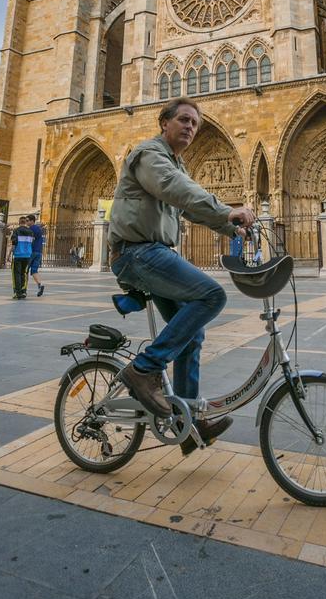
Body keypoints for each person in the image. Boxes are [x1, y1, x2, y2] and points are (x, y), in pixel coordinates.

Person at [108, 97, 255, 456]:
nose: (191, 127)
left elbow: (187, 205)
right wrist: (227, 209)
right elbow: (176, 188)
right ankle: (144, 369)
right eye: (185, 120)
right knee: (211, 296)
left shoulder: (175, 163)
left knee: (192, 334)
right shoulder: (149, 156)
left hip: (153, 255)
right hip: (137, 253)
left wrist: (228, 225)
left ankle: (185, 421)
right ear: (165, 123)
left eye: (195, 124)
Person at [11, 216, 34, 299]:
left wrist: (10, 254)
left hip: (18, 255)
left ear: (19, 222)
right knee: (24, 273)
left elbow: (14, 244)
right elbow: (31, 243)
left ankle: (17, 293)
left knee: (16, 274)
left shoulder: (16, 231)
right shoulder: (31, 232)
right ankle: (23, 291)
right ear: (25, 222)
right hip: (27, 255)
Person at [25, 214, 45, 296]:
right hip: (39, 252)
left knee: (25, 270)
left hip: (31, 252)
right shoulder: (39, 229)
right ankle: (40, 285)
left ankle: (24, 288)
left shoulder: (30, 230)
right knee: (34, 271)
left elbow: (29, 241)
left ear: (32, 221)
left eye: (27, 220)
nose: (26, 222)